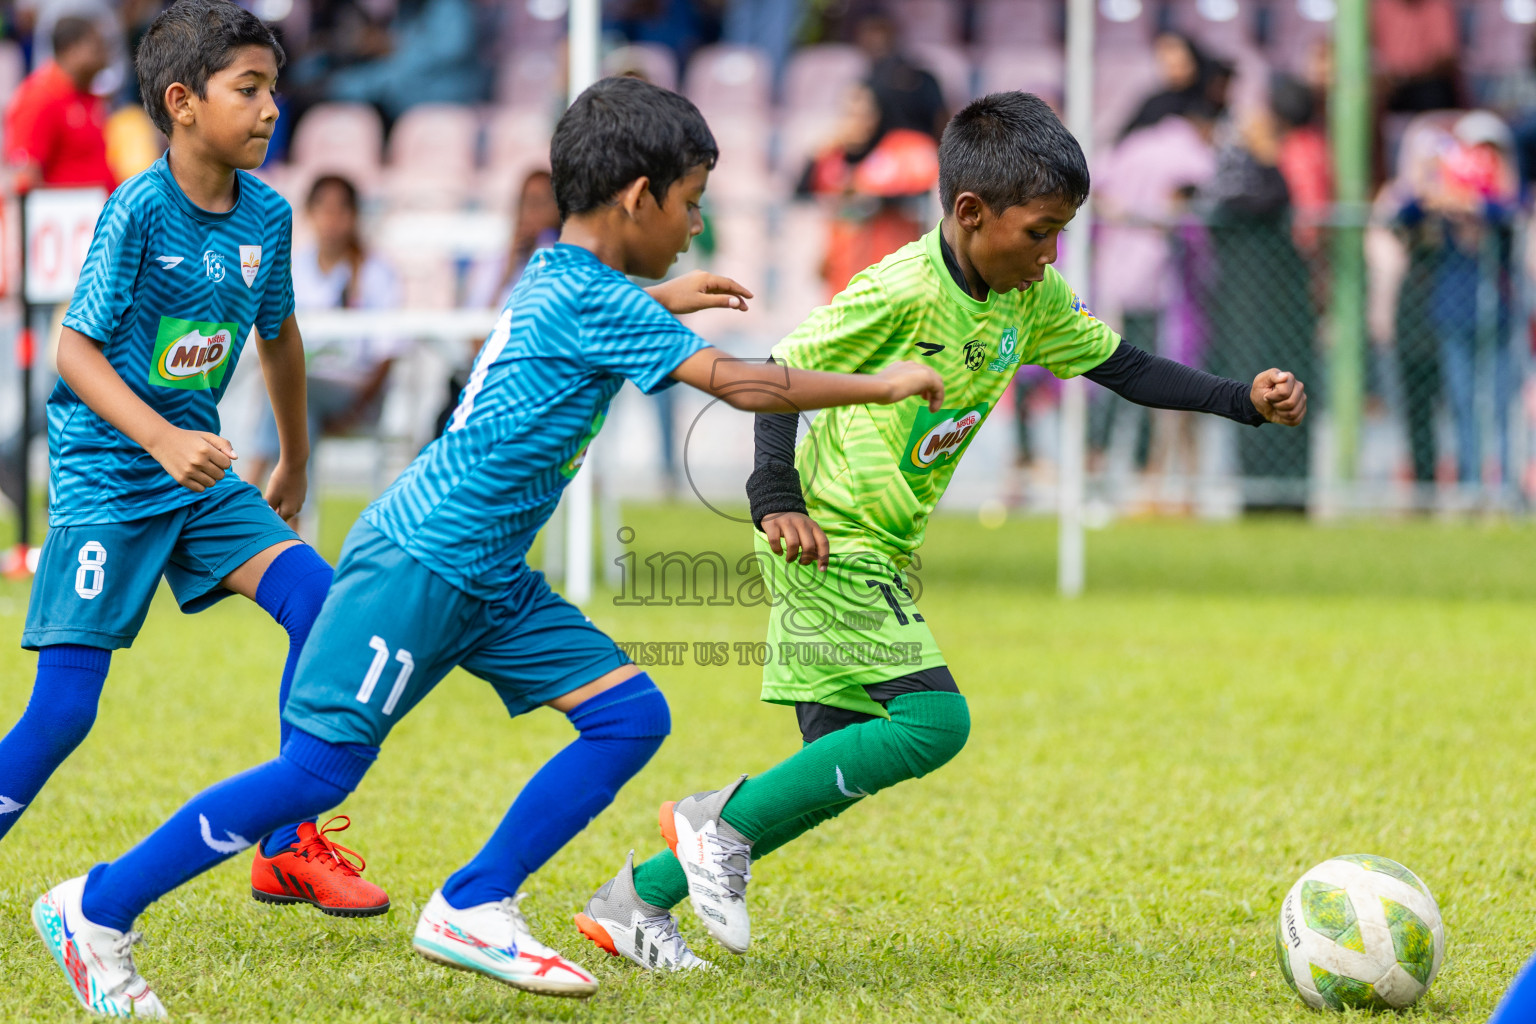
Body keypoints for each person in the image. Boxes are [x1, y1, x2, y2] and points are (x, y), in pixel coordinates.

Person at [30, 73, 945, 1017]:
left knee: (632, 715)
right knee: (314, 773)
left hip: (489, 575)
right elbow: (750, 386)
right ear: (639, 198)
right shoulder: (594, 296)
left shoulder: (563, 274)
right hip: (421, 563)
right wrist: (880, 386)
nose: (695, 226)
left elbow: (574, 330)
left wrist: (662, 297)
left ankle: (474, 902)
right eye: (691, 205)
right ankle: (94, 909)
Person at [573, 91, 1308, 971]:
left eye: (1062, 233)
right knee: (935, 722)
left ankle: (634, 900)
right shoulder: (902, 288)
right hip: (827, 540)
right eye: (1039, 232)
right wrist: (776, 495)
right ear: (970, 213)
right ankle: (713, 824)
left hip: (879, 548)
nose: (1051, 254)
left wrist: (1242, 403)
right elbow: (778, 371)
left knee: (828, 767)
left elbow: (1128, 367)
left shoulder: (1029, 300)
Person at [1, 0, 395, 970]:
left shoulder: (267, 213)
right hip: (108, 472)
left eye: (275, 88)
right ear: (182, 103)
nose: (271, 109)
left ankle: (286, 845)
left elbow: (281, 337)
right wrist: (164, 440)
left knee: (326, 610)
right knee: (62, 714)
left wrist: (297, 460)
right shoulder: (138, 207)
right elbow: (77, 351)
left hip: (204, 475)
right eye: (249, 89)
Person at [247, 174, 403, 490]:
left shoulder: (377, 272)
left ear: (354, 216)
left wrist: (357, 407)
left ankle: (257, 486)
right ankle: (287, 504)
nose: (332, 219)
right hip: (305, 387)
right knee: (294, 395)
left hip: (355, 391)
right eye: (324, 209)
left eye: (340, 210)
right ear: (310, 214)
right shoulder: (294, 266)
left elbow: (388, 352)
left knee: (291, 391)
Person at [4, 14, 115, 192]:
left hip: (98, 210)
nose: (105, 54)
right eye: (97, 47)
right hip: (68, 215)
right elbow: (25, 176)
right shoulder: (41, 96)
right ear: (71, 50)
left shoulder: (87, 95)